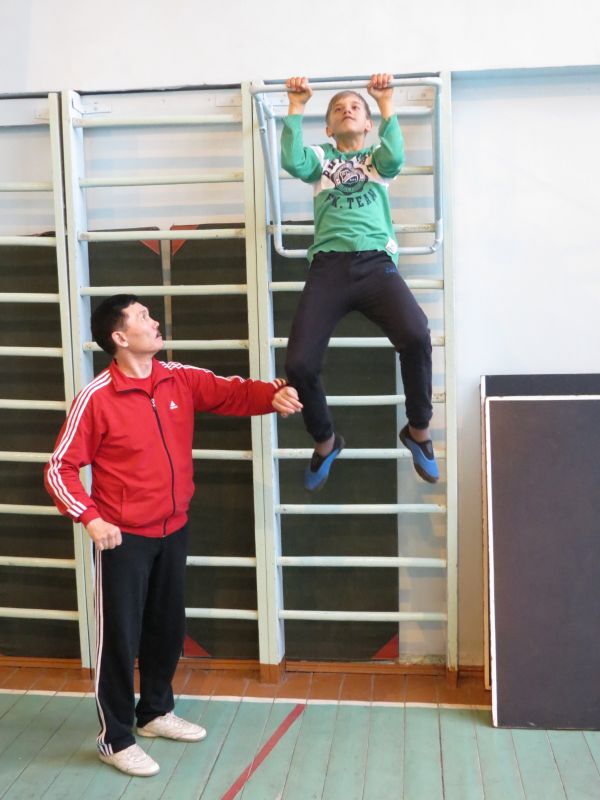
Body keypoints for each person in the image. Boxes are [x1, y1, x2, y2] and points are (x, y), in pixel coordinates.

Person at [44, 294, 302, 777]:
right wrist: (90, 517)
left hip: (173, 527)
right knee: (119, 639)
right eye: (142, 317)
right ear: (120, 337)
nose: (154, 321)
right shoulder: (96, 397)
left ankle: (155, 713)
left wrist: (272, 395)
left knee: (166, 627)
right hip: (122, 538)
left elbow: (230, 392)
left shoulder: (177, 377)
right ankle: (115, 738)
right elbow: (60, 468)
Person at [281, 73, 439, 490]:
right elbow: (292, 161)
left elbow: (396, 157)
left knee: (416, 334)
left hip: (375, 263)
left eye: (355, 108)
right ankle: (325, 441)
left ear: (368, 124)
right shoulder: (321, 158)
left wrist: (385, 102)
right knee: (299, 364)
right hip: (329, 267)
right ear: (328, 128)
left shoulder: (375, 159)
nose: (347, 111)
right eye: (338, 109)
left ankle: (418, 430)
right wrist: (296, 106)